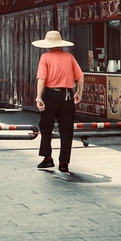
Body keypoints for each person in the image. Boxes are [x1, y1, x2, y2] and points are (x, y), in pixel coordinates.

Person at [32, 30, 84, 173]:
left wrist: (39, 97)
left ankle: (47, 158)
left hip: (51, 94)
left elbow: (41, 79)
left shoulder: (45, 57)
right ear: (60, 44)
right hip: (67, 95)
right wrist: (79, 92)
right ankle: (64, 162)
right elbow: (80, 77)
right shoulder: (69, 57)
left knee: (46, 126)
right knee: (66, 129)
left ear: (48, 45)